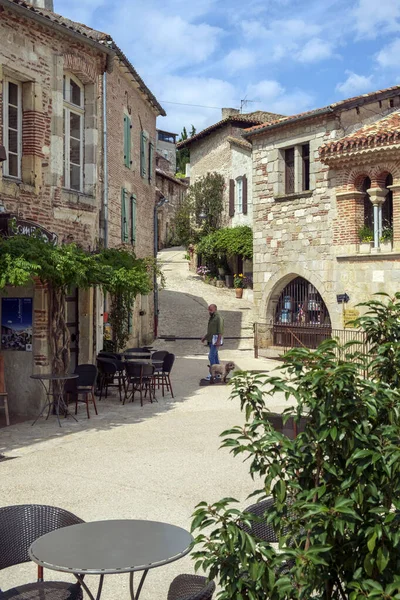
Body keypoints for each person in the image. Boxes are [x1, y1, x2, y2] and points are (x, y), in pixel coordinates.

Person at [201, 304, 224, 380]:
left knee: (211, 356)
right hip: (211, 340)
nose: (209, 311)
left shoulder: (218, 318)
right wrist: (205, 337)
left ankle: (213, 373)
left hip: (215, 341)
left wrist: (218, 341)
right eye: (209, 310)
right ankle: (218, 373)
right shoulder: (212, 318)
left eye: (211, 310)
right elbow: (211, 330)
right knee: (215, 356)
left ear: (215, 309)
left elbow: (220, 330)